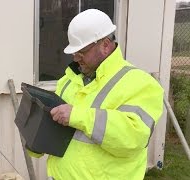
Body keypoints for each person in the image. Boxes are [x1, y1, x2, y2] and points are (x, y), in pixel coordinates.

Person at [28, 9, 164, 180]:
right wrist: (35, 139)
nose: (76, 58)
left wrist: (77, 115)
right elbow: (57, 131)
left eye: (81, 52)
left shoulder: (141, 84)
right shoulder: (68, 81)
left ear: (105, 45)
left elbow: (133, 137)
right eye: (74, 53)